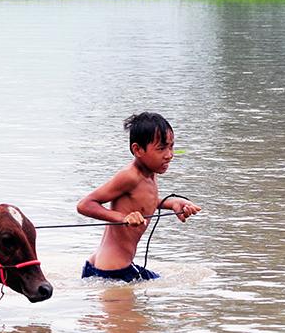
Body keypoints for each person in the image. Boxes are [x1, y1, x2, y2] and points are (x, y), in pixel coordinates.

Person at [77, 112, 201, 282]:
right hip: (112, 270)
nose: (169, 154)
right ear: (138, 150)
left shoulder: (150, 172)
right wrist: (123, 218)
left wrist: (172, 203)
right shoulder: (130, 176)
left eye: (171, 146)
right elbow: (85, 204)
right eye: (161, 148)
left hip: (109, 265)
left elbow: (141, 201)